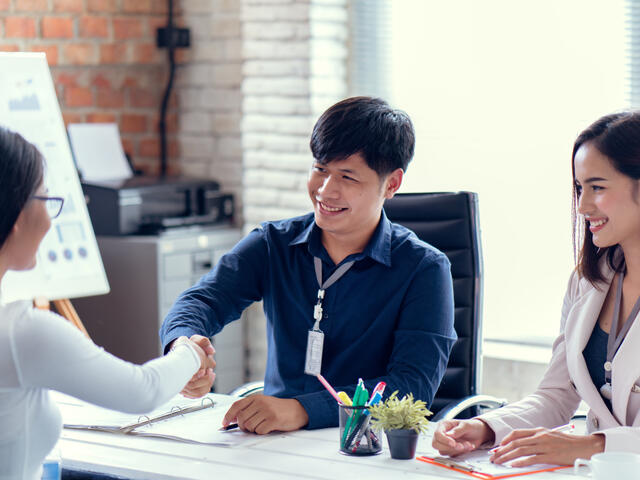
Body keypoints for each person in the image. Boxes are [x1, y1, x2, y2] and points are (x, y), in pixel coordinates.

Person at [160, 96, 457, 433]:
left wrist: (303, 410)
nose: (325, 191)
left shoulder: (425, 269)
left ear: (391, 184)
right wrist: (183, 351)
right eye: (320, 169)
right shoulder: (274, 243)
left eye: (347, 177)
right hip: (271, 440)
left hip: (367, 446)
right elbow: (200, 301)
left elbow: (412, 385)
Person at [0, 127, 216, 480]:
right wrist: (191, 352)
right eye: (46, 199)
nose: (50, 222)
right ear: (17, 215)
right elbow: (141, 390)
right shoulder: (21, 333)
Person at [432, 111, 640, 466]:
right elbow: (556, 395)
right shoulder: (588, 281)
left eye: (597, 187)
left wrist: (589, 445)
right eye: (579, 188)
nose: (582, 206)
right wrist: (486, 426)